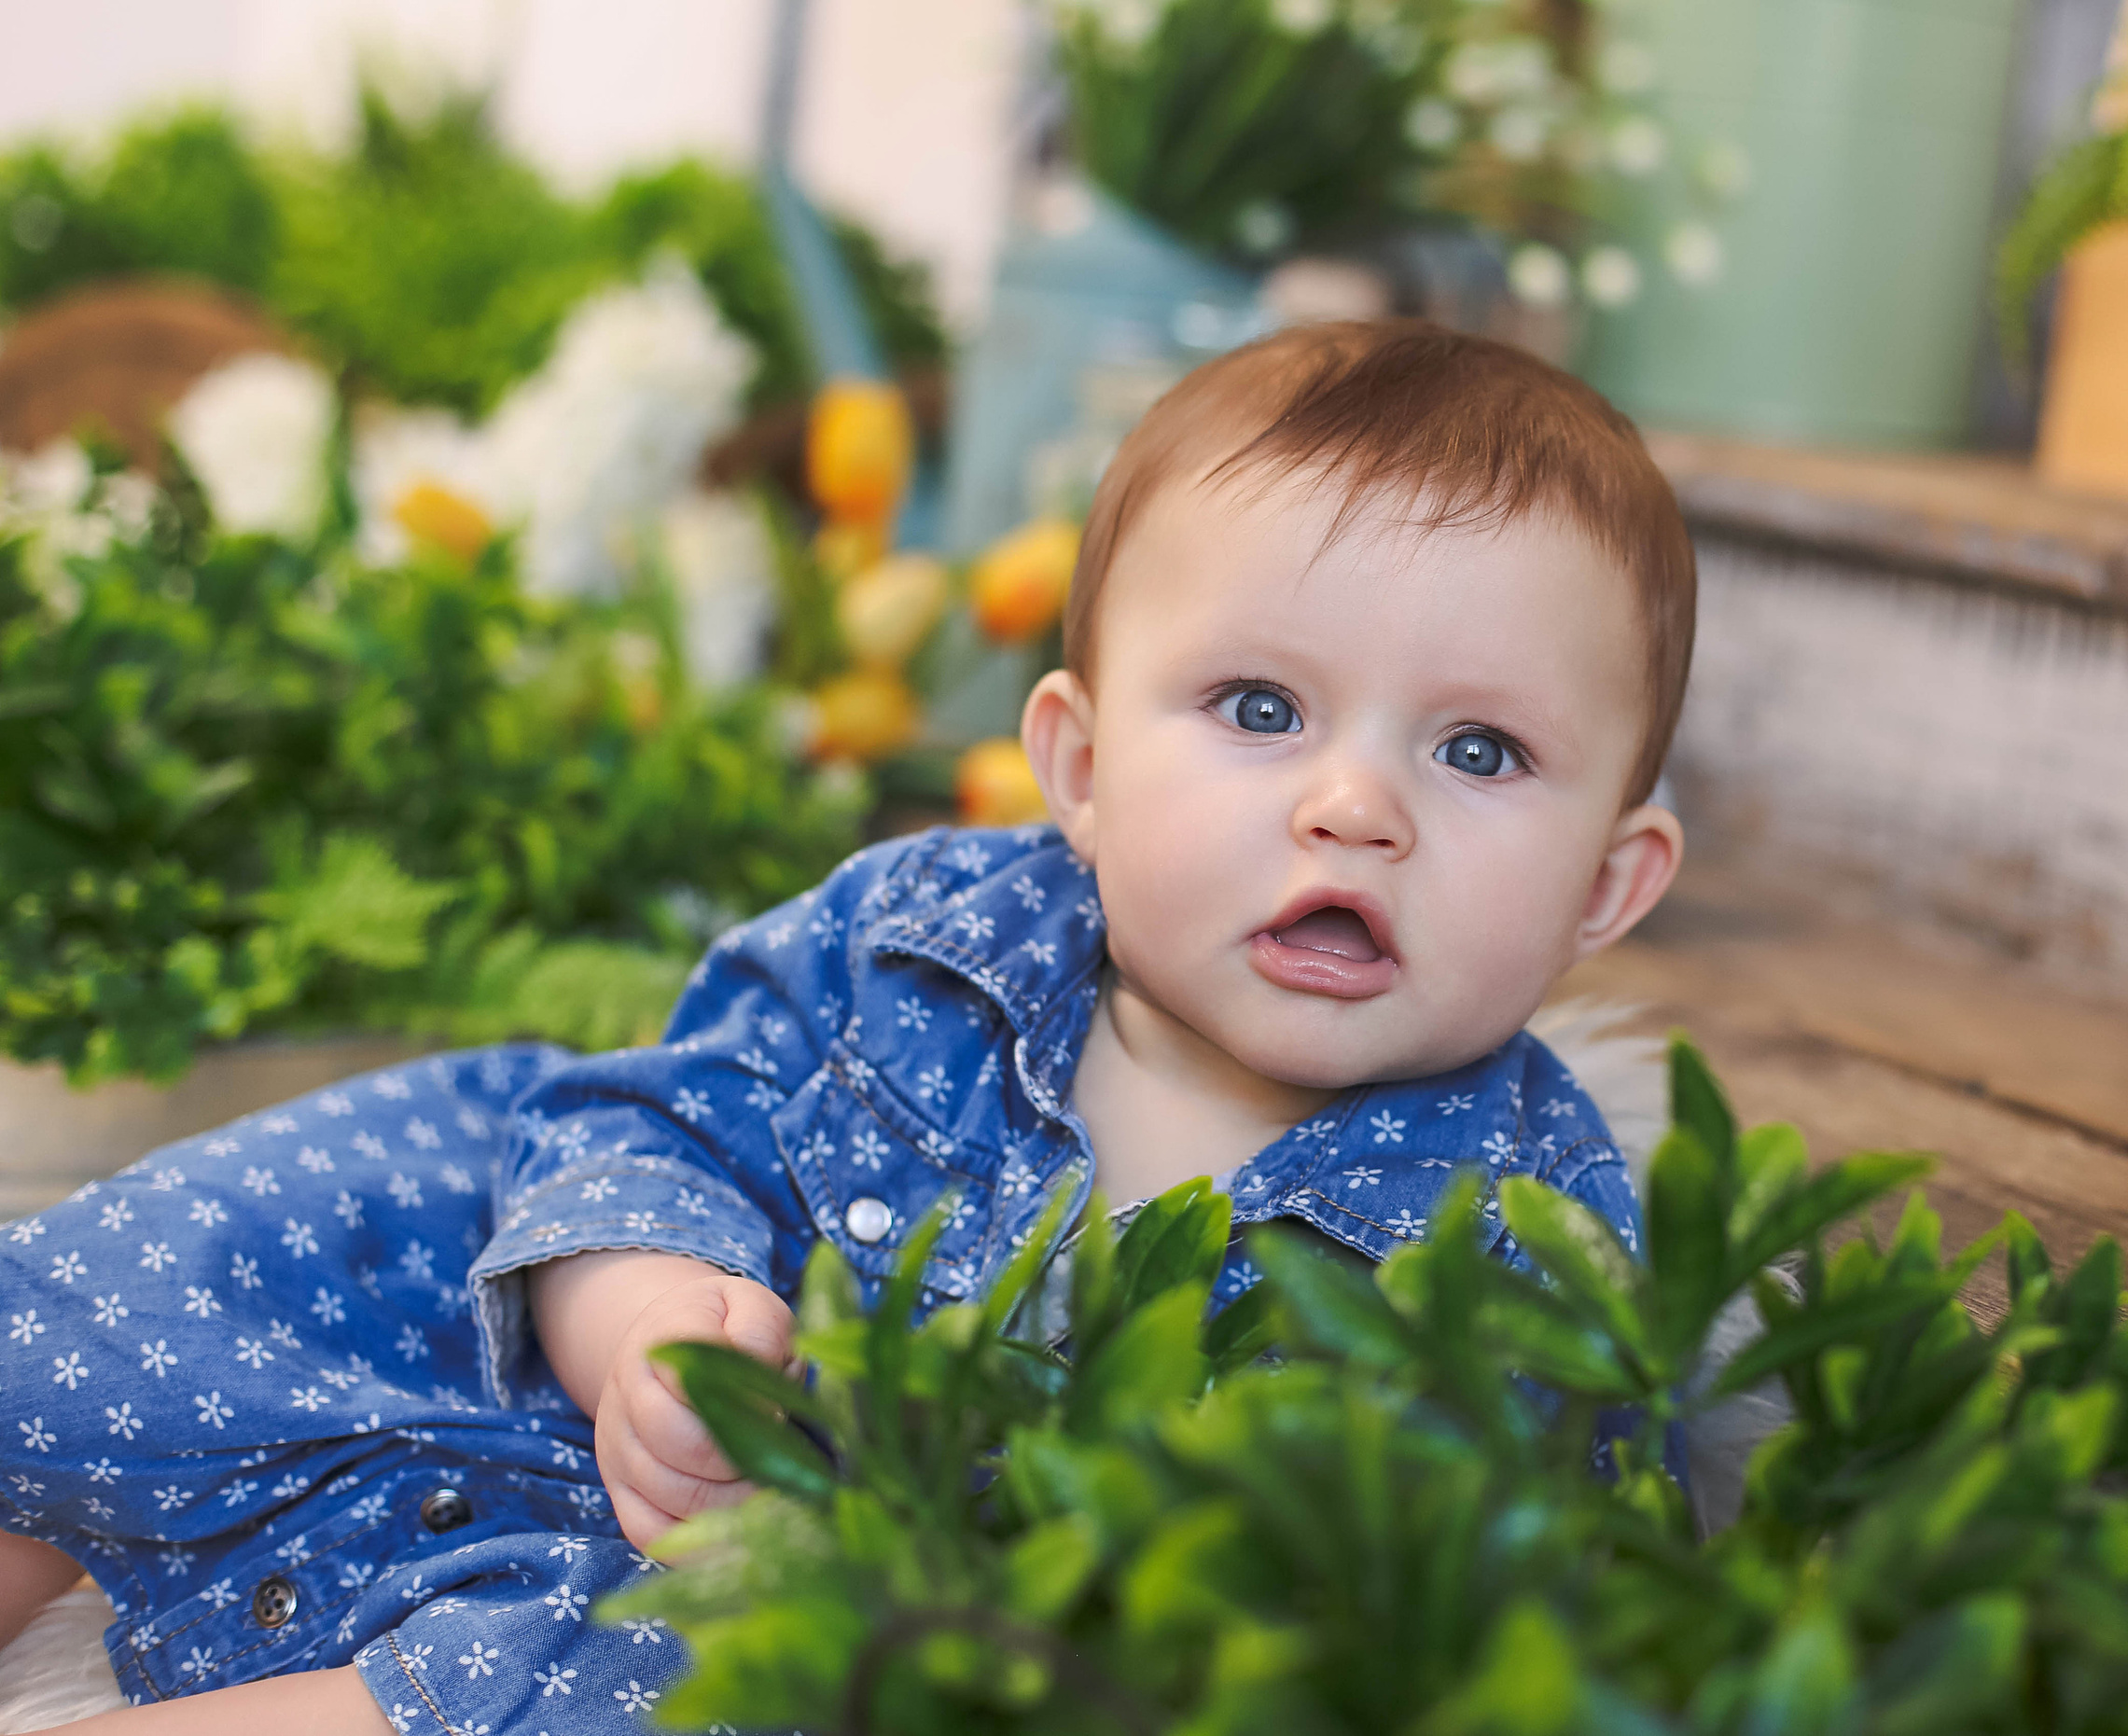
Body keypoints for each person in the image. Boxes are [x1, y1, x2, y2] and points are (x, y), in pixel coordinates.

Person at [0, 319, 1694, 1734]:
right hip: (567, 1367)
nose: (1354, 804)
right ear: (1084, 771)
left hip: (812, 1596)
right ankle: (30, 1495)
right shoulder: (939, 929)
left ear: (1609, 887)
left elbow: (1457, 1594)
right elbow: (654, 1114)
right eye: (1262, 709)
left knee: (689, 1682)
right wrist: (638, 1312)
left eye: (1479, 752)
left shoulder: (1515, 1240)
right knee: (316, 1209)